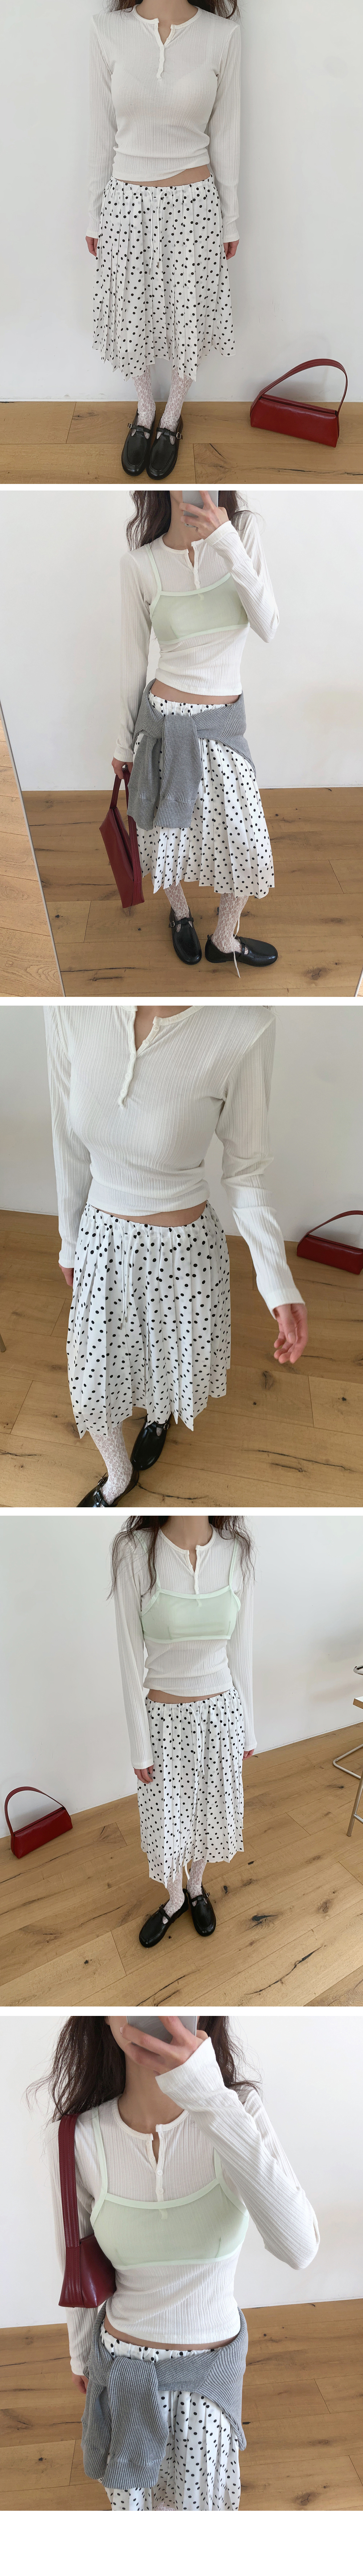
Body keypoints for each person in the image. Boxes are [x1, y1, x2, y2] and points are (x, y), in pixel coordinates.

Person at [46, 2012, 319, 2511]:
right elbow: (75, 2259)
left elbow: (299, 2247)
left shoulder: (236, 2110)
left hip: (207, 2384)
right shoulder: (77, 2136)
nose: (154, 2012)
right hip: (121, 2370)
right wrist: (81, 2356)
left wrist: (208, 2094)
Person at [44, 999, 308, 1508]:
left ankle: (159, 1417)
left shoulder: (244, 1025)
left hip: (182, 1256)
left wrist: (277, 1282)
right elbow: (67, 1140)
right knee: (93, 1379)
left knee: (164, 1363)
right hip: (101, 1242)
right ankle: (118, 1475)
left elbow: (246, 1173)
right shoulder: (68, 1009)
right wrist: (69, 1239)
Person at [113, 486, 279, 969]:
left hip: (222, 727)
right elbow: (132, 662)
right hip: (162, 726)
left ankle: (224, 939)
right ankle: (181, 915)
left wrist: (224, 539)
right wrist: (122, 744)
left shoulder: (243, 531)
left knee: (245, 843)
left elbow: (268, 626)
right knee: (166, 835)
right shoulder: (139, 564)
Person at [86, 2, 241, 479]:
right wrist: (93, 214)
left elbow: (227, 133)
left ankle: (172, 415)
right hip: (125, 205)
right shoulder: (106, 30)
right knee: (134, 312)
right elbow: (100, 130)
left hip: (195, 207)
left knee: (186, 313)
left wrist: (231, 219)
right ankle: (144, 411)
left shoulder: (222, 36)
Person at [111, 1511, 256, 1944]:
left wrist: (249, 1727)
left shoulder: (237, 1552)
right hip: (165, 1723)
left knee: (210, 1813)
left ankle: (195, 1887)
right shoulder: (134, 1551)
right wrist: (139, 1744)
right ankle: (174, 1897)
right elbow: (128, 1658)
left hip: (223, 1717)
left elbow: (242, 1651)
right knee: (167, 1822)